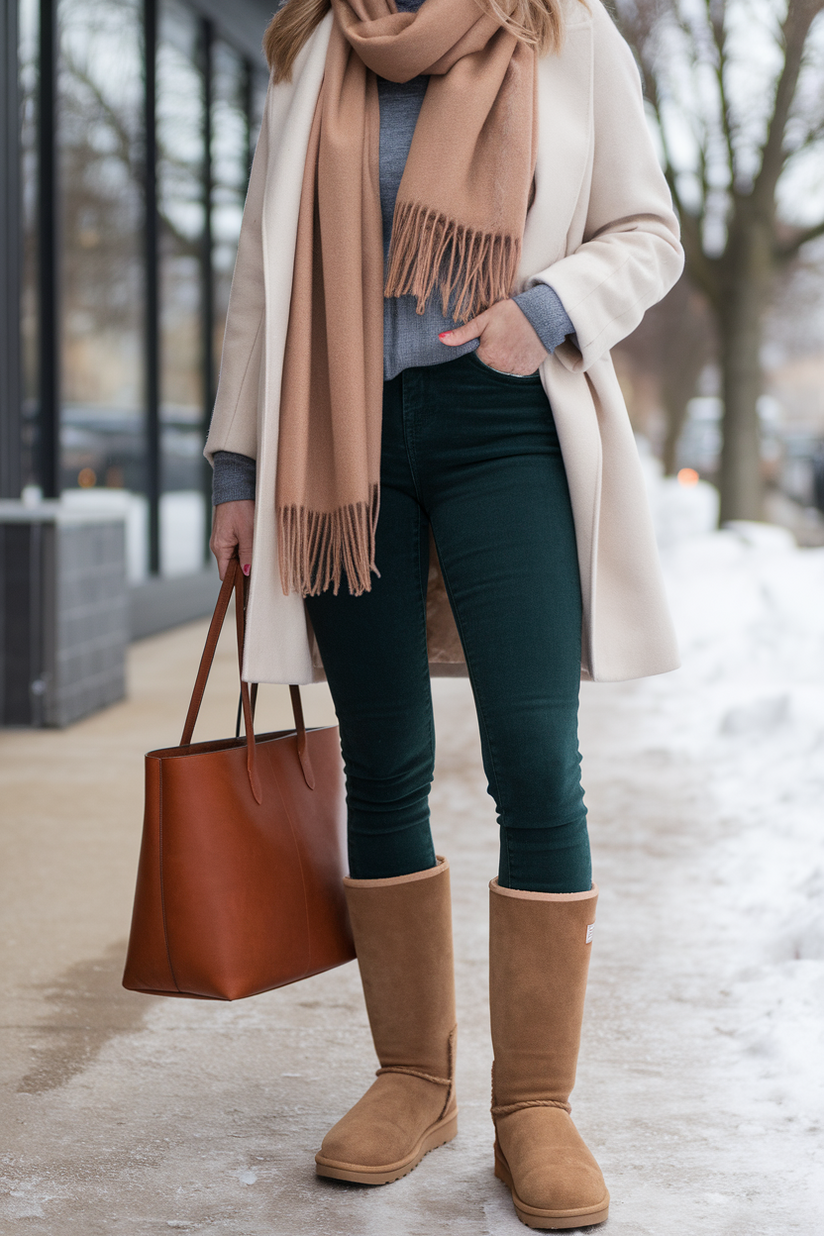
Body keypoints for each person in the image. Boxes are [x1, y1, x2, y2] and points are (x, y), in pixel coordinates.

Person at [206, 0, 683, 1227]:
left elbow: (645, 230)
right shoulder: (316, 45)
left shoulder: (565, 32)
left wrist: (548, 310)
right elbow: (265, 264)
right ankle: (412, 1079)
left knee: (533, 759)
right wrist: (235, 472)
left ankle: (536, 1104)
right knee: (383, 762)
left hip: (503, 424)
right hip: (338, 436)